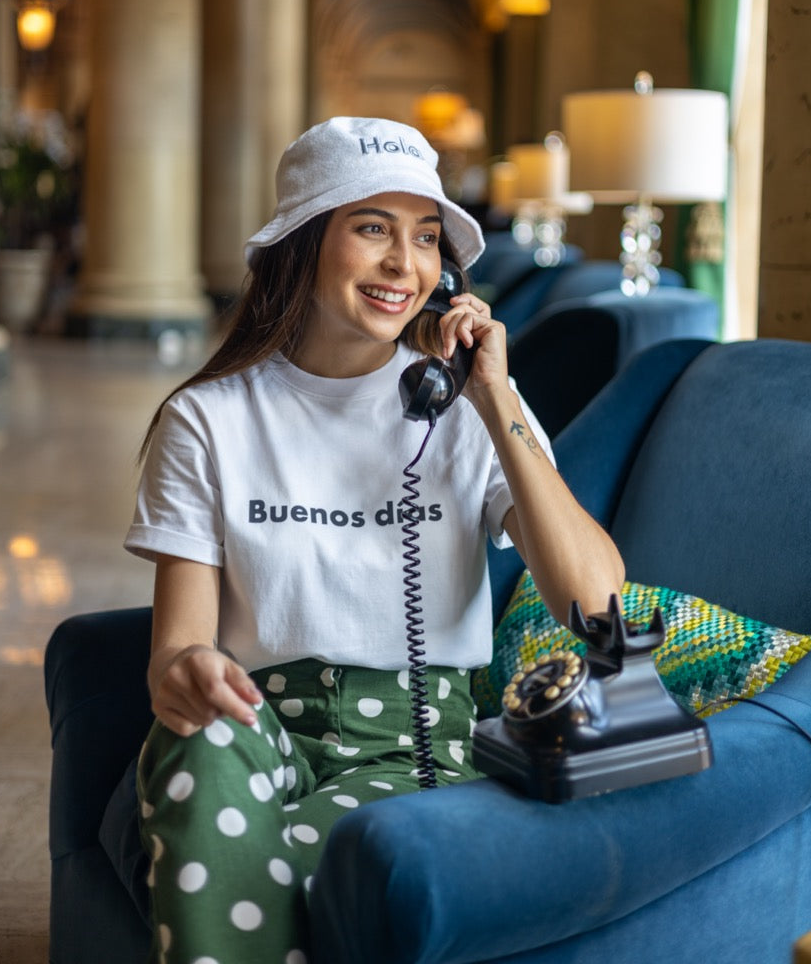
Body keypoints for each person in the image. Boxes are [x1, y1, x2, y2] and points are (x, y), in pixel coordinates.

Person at [126, 115, 625, 964]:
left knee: (271, 860)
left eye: (426, 239)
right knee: (197, 741)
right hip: (255, 721)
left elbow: (596, 605)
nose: (404, 265)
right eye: (371, 229)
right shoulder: (205, 418)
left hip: (412, 739)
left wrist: (493, 399)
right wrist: (186, 673)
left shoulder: (471, 411)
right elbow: (176, 650)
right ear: (303, 245)